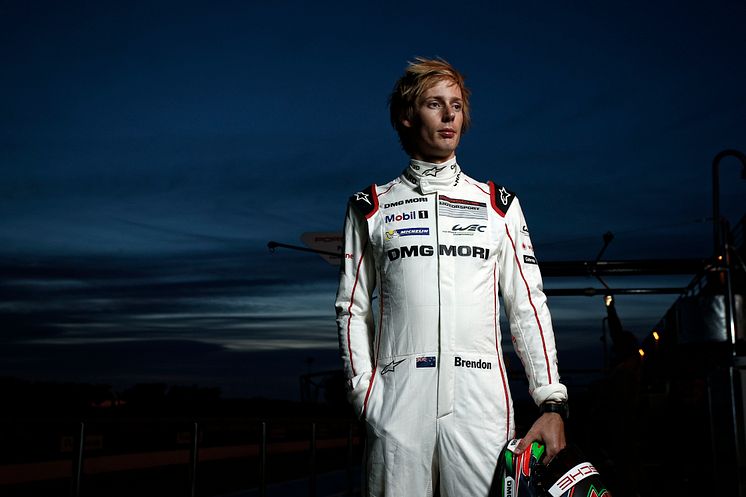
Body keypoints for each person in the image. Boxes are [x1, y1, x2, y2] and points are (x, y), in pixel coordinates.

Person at [335, 57, 568, 497]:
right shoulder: (370, 206)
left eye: (456, 106)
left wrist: (551, 401)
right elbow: (352, 308)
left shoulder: (498, 205)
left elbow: (527, 306)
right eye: (434, 104)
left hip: (480, 402)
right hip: (398, 399)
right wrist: (364, 394)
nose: (448, 116)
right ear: (407, 116)